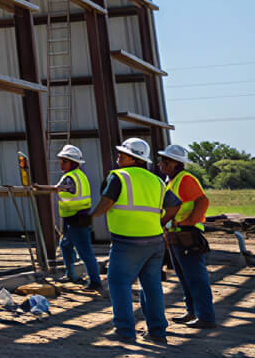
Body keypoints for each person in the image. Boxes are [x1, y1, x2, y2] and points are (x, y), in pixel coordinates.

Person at [88, 137, 170, 344]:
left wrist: (90, 216)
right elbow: (174, 205)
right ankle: (157, 332)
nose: (118, 158)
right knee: (152, 287)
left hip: (128, 241)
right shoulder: (157, 180)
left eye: (122, 155)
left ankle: (125, 330)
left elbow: (107, 202)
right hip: (155, 240)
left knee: (119, 283)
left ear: (133, 158)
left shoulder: (119, 177)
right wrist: (160, 222)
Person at [158, 143, 218, 329]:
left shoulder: (185, 179)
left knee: (195, 277)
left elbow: (202, 201)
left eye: (164, 161)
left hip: (187, 234)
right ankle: (192, 311)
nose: (160, 164)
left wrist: (189, 222)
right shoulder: (173, 181)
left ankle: (205, 316)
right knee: (185, 276)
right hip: (177, 234)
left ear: (173, 163)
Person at [52, 144, 101, 293]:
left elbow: (56, 189)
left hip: (77, 220)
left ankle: (95, 282)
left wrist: (37, 187)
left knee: (85, 252)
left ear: (71, 163)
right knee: (65, 245)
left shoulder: (70, 178)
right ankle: (70, 275)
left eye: (63, 161)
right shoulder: (79, 175)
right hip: (73, 219)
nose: (60, 164)